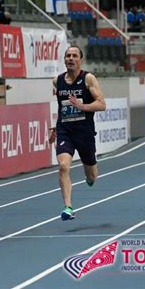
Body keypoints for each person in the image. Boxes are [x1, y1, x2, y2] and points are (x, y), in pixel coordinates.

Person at [49, 46, 106, 221]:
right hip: (65, 130)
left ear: (81, 60)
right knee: (64, 166)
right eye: (68, 56)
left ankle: (89, 176)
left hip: (85, 132)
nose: (70, 59)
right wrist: (55, 127)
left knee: (92, 176)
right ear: (64, 59)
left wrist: (82, 107)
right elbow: (62, 107)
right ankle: (68, 206)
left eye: (74, 56)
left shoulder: (88, 79)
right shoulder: (57, 81)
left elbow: (102, 104)